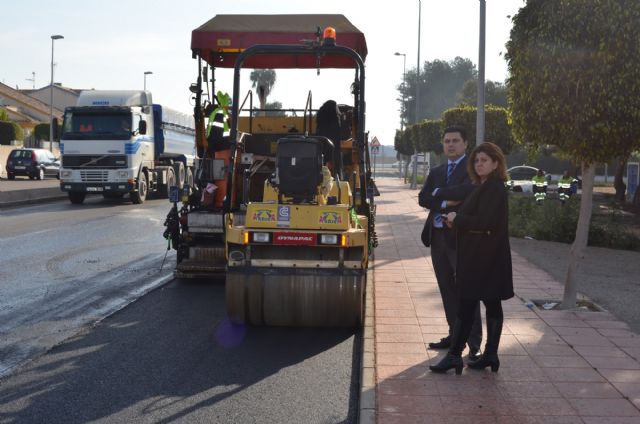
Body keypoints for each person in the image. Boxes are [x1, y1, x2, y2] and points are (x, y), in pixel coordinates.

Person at [429, 142, 514, 374]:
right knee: (490, 303)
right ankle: (489, 355)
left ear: (496, 163)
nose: (479, 164)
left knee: (467, 304)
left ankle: (456, 356)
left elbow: (485, 222)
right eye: (476, 161)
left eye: (484, 160)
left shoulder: (494, 188)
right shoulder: (484, 186)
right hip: (484, 256)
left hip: (483, 258)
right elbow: (479, 220)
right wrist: (456, 219)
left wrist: (457, 219)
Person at [418, 125, 482, 360]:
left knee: (467, 290)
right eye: (447, 141)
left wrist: (438, 194)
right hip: (437, 238)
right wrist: (445, 202)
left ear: (466, 143)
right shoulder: (436, 171)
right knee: (446, 287)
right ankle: (454, 335)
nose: (451, 145)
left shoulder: (473, 169)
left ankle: (474, 343)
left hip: (461, 238)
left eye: (455, 140)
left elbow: (469, 193)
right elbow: (422, 198)